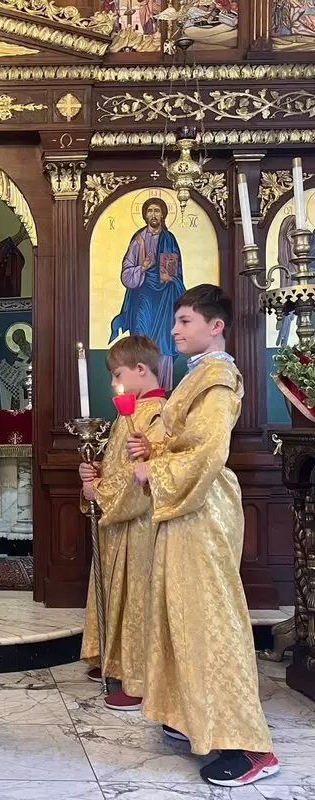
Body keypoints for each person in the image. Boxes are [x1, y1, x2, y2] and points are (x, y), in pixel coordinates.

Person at [127, 284, 279, 787]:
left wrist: (157, 472)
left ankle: (247, 746)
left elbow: (209, 451)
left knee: (212, 619)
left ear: (215, 326)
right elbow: (182, 438)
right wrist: (149, 445)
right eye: (176, 320)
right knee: (181, 612)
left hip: (202, 506)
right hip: (187, 509)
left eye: (185, 320)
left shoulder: (217, 377)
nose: (174, 329)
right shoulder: (200, 375)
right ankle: (189, 715)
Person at [78, 335, 165, 711]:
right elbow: (119, 467)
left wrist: (99, 491)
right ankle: (115, 660)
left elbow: (143, 476)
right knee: (118, 593)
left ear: (141, 370)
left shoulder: (157, 414)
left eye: (118, 373)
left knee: (138, 600)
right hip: (121, 524)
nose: (115, 381)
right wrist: (95, 472)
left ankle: (141, 680)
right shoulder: (129, 414)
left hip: (141, 525)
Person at [109, 197, 186, 391]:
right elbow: (127, 272)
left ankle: (161, 392)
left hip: (164, 299)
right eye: (150, 210)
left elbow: (173, 273)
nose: (153, 214)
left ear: (163, 215)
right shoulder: (139, 239)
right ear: (145, 215)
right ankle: (140, 389)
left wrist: (168, 275)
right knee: (141, 339)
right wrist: (142, 268)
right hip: (142, 296)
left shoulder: (169, 239)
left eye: (157, 211)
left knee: (163, 341)